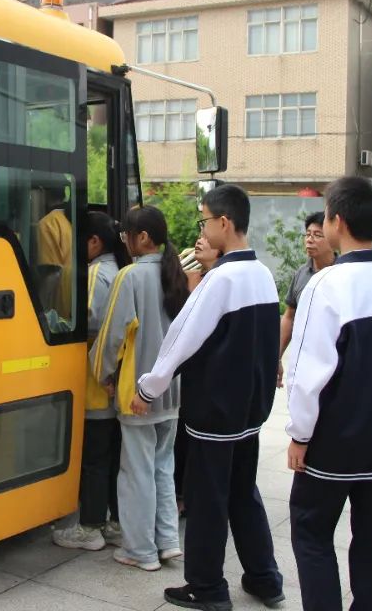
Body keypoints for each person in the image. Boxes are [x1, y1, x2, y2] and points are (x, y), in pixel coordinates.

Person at [133, 184, 284, 611]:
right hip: (249, 414)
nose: (201, 227)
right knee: (243, 494)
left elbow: (179, 339)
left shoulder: (221, 280)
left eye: (203, 219)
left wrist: (149, 387)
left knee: (206, 501)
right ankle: (264, 579)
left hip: (215, 413)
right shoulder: (262, 275)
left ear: (224, 222)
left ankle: (207, 586)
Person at [284, 176, 372, 611]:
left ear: (337, 222)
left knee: (311, 534)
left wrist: (299, 435)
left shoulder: (325, 286)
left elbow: (307, 373)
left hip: (334, 444)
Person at [91, 206, 189, 572]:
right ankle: (167, 542)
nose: (125, 242)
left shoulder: (129, 277)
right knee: (163, 467)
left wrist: (101, 374)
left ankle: (140, 550)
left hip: (138, 395)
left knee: (136, 472)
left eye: (126, 235)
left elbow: (111, 336)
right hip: (171, 393)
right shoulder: (176, 274)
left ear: (142, 238)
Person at [53, 211, 131, 551]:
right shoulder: (119, 270)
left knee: (95, 459)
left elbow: (93, 325)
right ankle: (113, 522)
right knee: (111, 457)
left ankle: (90, 527)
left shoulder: (97, 273)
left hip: (96, 382)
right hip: (114, 382)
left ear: (94, 242)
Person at [175, 233, 222, 516]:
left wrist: (193, 287)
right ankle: (181, 493)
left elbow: (198, 328)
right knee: (182, 438)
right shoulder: (185, 266)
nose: (199, 241)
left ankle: (190, 496)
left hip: (207, 376)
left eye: (207, 237)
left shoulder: (218, 281)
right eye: (199, 236)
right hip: (186, 374)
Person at [278, 212, 336, 387]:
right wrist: (277, 356)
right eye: (308, 234)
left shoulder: (343, 273)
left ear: (332, 239)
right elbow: (289, 316)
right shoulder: (301, 274)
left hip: (333, 360)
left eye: (318, 235)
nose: (310, 240)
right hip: (304, 360)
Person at [37, 183, 74, 320]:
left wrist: (40, 312)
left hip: (61, 306)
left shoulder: (48, 223)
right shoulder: (75, 217)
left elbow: (52, 274)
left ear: (42, 193)